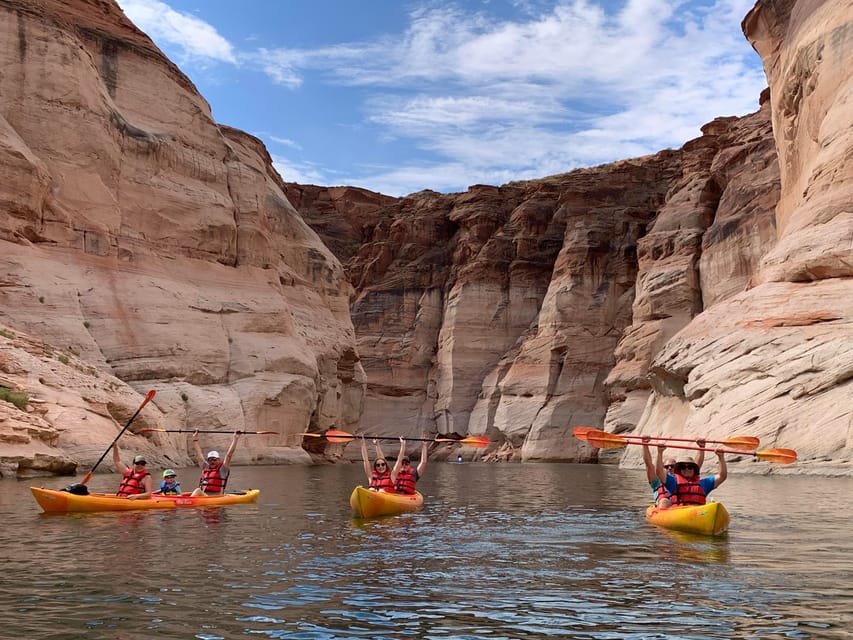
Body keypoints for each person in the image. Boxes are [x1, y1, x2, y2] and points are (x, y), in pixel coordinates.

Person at [642, 437, 705, 508]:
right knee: (664, 501)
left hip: (681, 506)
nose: (669, 468)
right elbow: (648, 464)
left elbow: (696, 466)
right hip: (664, 507)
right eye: (666, 467)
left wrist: (701, 447)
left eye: (672, 466)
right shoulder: (657, 481)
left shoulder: (683, 478)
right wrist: (645, 445)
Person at [657, 445, 726, 506]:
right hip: (680, 513)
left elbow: (722, 476)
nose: (687, 469)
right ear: (679, 470)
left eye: (690, 467)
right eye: (683, 467)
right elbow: (659, 472)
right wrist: (660, 453)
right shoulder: (673, 482)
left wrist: (721, 457)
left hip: (699, 514)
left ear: (694, 470)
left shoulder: (703, 484)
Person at [190, 430, 241, 496]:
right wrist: (195, 439)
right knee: (197, 491)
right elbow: (199, 454)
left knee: (197, 490)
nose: (212, 462)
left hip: (216, 496)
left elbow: (229, 455)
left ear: (218, 460)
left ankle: (188, 503)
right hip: (204, 495)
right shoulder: (205, 467)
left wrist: (235, 439)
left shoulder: (223, 469)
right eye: (210, 460)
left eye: (214, 459)